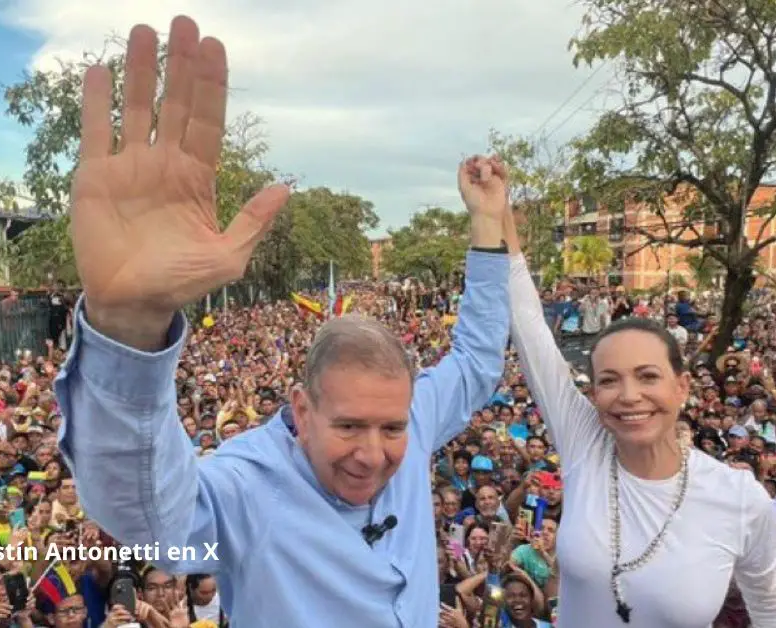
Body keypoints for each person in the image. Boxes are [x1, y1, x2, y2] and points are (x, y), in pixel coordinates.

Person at [52, 15, 511, 628]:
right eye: (348, 425)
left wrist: (487, 226)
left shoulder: (417, 418)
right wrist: (126, 324)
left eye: (391, 428)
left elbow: (478, 364)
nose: (373, 456)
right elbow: (154, 519)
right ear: (300, 408)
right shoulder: (249, 484)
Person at [500, 208, 776, 626]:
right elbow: (530, 330)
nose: (629, 396)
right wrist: (496, 212)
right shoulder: (584, 445)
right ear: (594, 393)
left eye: (648, 377)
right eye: (609, 380)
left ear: (682, 387)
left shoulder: (740, 498)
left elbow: (771, 609)